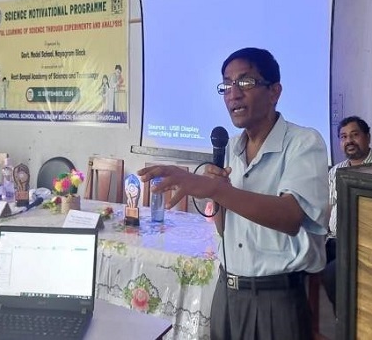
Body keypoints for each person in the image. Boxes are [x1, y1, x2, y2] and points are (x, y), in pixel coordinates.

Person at [138, 47, 329, 340]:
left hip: (275, 299)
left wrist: (215, 189)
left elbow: (290, 216)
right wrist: (219, 197)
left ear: (274, 92)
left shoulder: (303, 143)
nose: (233, 93)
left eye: (246, 82)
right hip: (227, 293)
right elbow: (225, 229)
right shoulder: (231, 149)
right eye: (226, 85)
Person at [323, 115, 372, 313]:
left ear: (367, 137)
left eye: (354, 135)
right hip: (333, 241)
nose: (349, 141)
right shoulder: (336, 171)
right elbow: (327, 207)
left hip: (364, 243)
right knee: (297, 261)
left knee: (334, 274)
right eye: (343, 137)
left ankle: (345, 323)